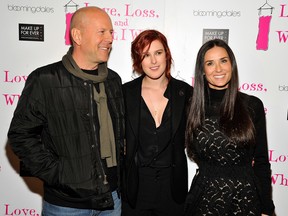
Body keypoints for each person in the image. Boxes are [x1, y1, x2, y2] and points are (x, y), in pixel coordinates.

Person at [7, 6, 124, 216]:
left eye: (111, 32)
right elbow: (20, 135)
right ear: (77, 35)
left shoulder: (113, 80)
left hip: (111, 200)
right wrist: (59, 175)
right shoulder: (45, 80)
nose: (109, 38)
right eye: (102, 32)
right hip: (66, 205)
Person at [184, 39, 275, 216]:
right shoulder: (192, 107)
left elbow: (262, 161)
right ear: (202, 70)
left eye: (223, 61)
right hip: (205, 199)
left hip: (246, 199)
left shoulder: (252, 105)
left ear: (232, 65)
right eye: (210, 63)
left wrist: (266, 208)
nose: (218, 69)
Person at [121, 29, 192, 216]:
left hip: (173, 190)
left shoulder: (185, 93)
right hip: (136, 190)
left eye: (158, 53)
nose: (153, 61)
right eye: (146, 55)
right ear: (138, 60)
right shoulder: (124, 94)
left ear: (166, 55)